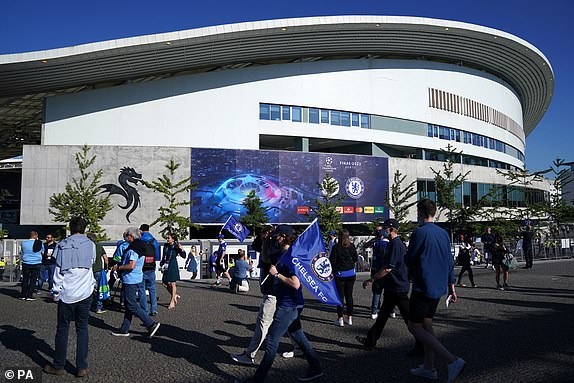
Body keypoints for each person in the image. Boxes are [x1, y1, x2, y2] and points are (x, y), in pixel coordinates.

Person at [239, 225, 323, 383]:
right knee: (298, 336)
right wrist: (264, 240)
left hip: (289, 305)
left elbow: (295, 283)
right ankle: (316, 367)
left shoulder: (290, 256)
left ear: (284, 236)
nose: (274, 238)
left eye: (276, 236)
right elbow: (265, 258)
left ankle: (257, 379)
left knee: (271, 340)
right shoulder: (283, 253)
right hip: (291, 303)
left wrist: (277, 275)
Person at [405, 199, 465, 383]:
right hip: (439, 286)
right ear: (435, 212)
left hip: (423, 284)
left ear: (421, 213)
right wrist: (452, 287)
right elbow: (449, 261)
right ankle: (429, 367)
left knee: (413, 326)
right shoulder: (443, 233)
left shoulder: (419, 233)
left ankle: (451, 359)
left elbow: (410, 259)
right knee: (426, 324)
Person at [230, 225, 299, 365]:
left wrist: (268, 240)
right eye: (263, 233)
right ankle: (301, 349)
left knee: (263, 323)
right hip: (273, 290)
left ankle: (250, 355)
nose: (265, 235)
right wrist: (262, 237)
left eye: (268, 232)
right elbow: (256, 245)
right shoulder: (265, 242)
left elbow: (268, 260)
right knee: (291, 323)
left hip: (274, 291)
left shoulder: (276, 245)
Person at [357, 219, 423, 354]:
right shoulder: (396, 243)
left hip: (398, 287)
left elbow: (388, 268)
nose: (383, 231)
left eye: (385, 228)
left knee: (409, 318)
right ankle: (371, 340)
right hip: (393, 286)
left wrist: (371, 279)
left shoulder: (396, 245)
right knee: (383, 315)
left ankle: (422, 344)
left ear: (391, 229)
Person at [43, 217, 96, 378]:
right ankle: (81, 367)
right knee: (82, 329)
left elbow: (58, 273)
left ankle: (58, 365)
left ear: (71, 228)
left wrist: (55, 292)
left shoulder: (62, 245)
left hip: (67, 293)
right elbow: (90, 265)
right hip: (85, 292)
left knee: (63, 329)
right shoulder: (91, 245)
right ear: (84, 228)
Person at [111, 227, 161, 337]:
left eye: (127, 235)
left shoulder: (133, 249)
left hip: (130, 279)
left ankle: (150, 324)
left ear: (131, 236)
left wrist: (119, 267)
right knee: (130, 305)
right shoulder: (141, 246)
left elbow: (131, 265)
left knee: (131, 304)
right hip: (138, 277)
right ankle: (124, 329)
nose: (125, 236)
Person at [330, 229, 358, 326]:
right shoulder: (352, 246)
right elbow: (355, 258)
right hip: (351, 273)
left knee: (340, 297)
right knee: (349, 296)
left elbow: (332, 261)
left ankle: (340, 318)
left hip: (340, 274)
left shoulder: (336, 247)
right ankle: (350, 317)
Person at [367, 225, 389, 319]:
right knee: (388, 292)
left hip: (375, 269)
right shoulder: (388, 244)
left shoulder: (375, 243)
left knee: (376, 292)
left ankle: (374, 311)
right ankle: (390, 310)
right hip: (385, 270)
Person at [138, 224, 160, 316]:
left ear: (141, 230)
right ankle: (154, 309)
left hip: (141, 268)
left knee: (141, 289)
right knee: (152, 288)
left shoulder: (139, 240)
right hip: (151, 267)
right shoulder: (154, 241)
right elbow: (158, 257)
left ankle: (144, 310)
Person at [160, 232, 185, 309]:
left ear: (173, 239)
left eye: (168, 238)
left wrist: (182, 249)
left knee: (173, 283)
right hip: (166, 264)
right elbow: (164, 256)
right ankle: (174, 295)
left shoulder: (176, 246)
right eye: (166, 238)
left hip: (173, 264)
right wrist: (161, 264)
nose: (167, 239)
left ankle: (172, 301)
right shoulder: (166, 246)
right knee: (164, 283)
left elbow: (184, 256)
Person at [87, 232, 108, 314]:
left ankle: (89, 305)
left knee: (89, 289)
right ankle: (98, 307)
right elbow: (106, 258)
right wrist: (106, 267)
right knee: (99, 289)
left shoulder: (86, 247)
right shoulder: (99, 246)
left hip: (89, 270)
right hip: (98, 270)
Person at [20, 231, 43, 301]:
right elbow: (42, 251)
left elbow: (22, 251)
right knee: (33, 280)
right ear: (36, 235)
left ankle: (23, 294)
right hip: (36, 263)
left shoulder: (23, 243)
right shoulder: (39, 243)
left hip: (26, 262)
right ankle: (30, 295)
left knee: (25, 279)